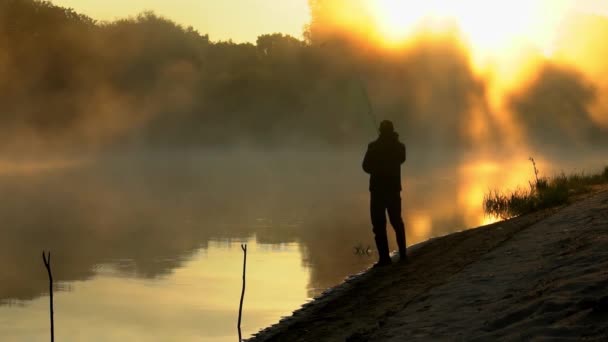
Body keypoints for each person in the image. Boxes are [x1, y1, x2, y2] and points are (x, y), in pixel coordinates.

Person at [362, 120, 407, 266]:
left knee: (378, 225)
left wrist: (377, 168)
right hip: (393, 190)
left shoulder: (373, 147)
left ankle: (384, 259)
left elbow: (365, 167)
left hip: (377, 191)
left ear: (380, 131)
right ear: (393, 131)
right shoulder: (400, 147)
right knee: (396, 222)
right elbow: (402, 159)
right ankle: (403, 255)